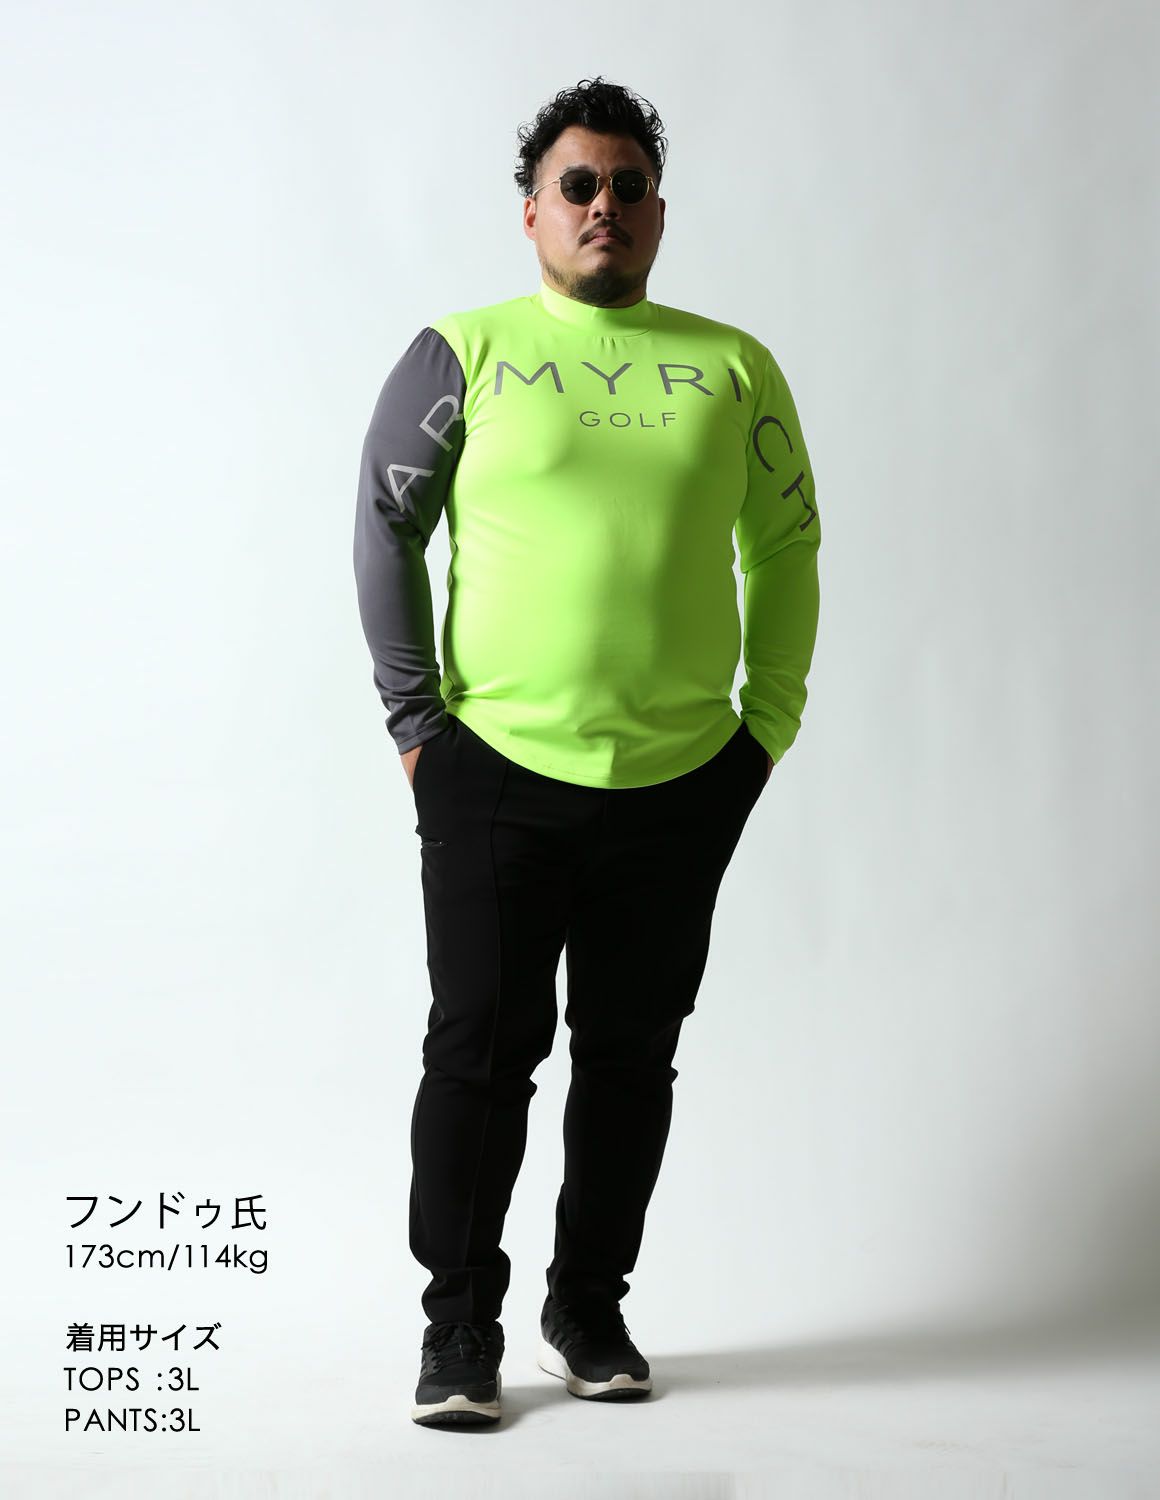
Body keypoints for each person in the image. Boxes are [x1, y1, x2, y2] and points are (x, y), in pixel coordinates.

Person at [352, 75, 821, 1429]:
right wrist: (416, 724)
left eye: (626, 185)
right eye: (577, 185)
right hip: (494, 767)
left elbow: (787, 544)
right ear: (533, 213)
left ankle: (588, 1307)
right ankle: (458, 1327)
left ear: (658, 211)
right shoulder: (464, 351)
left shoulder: (734, 367)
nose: (602, 204)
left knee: (630, 1057)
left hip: (680, 780)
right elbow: (384, 524)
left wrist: (766, 726)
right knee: (479, 1053)